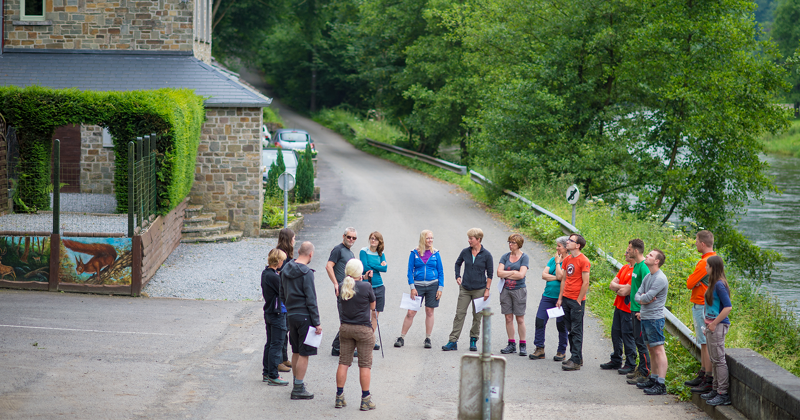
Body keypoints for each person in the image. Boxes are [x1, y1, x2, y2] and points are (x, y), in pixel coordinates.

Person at [335, 259, 378, 411]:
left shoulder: (342, 286)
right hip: (363, 329)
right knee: (365, 365)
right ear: (360, 272)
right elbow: (373, 306)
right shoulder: (366, 286)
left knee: (344, 362)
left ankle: (339, 396)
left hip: (346, 328)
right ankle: (365, 399)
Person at [281, 241, 321, 400]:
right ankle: (298, 388)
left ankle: (296, 383)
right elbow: (311, 299)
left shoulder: (285, 270)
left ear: (299, 251)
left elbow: (281, 293)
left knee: (296, 350)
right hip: (305, 316)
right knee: (304, 353)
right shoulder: (307, 273)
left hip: (291, 315)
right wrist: (317, 322)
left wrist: (290, 307)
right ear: (311, 254)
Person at [444, 228, 494, 352]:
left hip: (480, 290)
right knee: (459, 314)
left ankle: (473, 340)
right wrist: (458, 276)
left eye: (471, 238)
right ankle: (453, 341)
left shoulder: (486, 255)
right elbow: (457, 263)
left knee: (477, 316)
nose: (469, 241)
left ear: (478, 239)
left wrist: (487, 290)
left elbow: (490, 274)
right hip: (465, 289)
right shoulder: (465, 252)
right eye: (469, 238)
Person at [395, 230, 444, 349]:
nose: (430, 240)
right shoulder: (414, 252)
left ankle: (428, 338)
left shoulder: (436, 253)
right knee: (411, 312)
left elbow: (441, 271)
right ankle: (401, 337)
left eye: (432, 238)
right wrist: (412, 287)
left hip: (433, 285)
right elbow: (409, 271)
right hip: (418, 286)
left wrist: (440, 288)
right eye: (428, 238)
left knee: (429, 311)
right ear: (423, 239)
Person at [634, 249, 669, 395]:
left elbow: (646, 298)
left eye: (650, 255)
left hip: (654, 319)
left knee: (659, 350)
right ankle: (653, 378)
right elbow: (637, 296)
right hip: (645, 316)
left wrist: (644, 298)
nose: (647, 256)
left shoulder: (660, 278)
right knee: (651, 349)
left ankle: (661, 384)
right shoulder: (648, 276)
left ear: (656, 261)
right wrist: (644, 298)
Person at [685, 230, 717, 393]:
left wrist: (694, 281)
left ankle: (708, 378)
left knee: (704, 342)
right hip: (708, 304)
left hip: (701, 304)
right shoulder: (715, 258)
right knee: (704, 342)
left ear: (703, 244)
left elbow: (690, 283)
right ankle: (704, 373)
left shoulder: (704, 262)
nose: (695, 244)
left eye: (696, 241)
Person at [530, 236, 569, 361]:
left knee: (561, 325)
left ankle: (561, 351)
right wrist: (557, 277)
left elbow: (561, 275)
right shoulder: (553, 259)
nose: (556, 248)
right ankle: (539, 348)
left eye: (559, 246)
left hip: (562, 297)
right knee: (540, 320)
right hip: (547, 296)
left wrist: (558, 265)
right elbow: (544, 275)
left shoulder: (568, 261)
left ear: (565, 247)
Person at [701, 255, 733, 406]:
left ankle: (723, 393)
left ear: (713, 267)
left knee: (719, 360)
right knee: (714, 359)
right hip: (711, 326)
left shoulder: (720, 285)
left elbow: (728, 307)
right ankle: (715, 389)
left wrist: (714, 324)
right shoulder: (713, 283)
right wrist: (708, 325)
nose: (705, 268)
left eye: (707, 266)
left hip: (718, 326)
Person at [557, 233, 590, 371]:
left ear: (578, 245)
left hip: (576, 301)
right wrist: (560, 298)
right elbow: (564, 279)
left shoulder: (584, 261)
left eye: (571, 241)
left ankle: (575, 361)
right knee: (570, 330)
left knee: (576, 330)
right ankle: (577, 357)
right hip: (566, 299)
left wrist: (578, 300)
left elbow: (586, 282)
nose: (568, 242)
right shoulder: (567, 259)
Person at [601, 244, 636, 374]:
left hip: (628, 308)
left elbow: (625, 291)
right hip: (619, 306)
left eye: (627, 252)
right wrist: (622, 287)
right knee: (615, 333)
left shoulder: (636, 270)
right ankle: (616, 359)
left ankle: (630, 363)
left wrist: (621, 287)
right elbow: (612, 285)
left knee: (627, 336)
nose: (625, 254)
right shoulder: (624, 268)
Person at [497, 233, 530, 356]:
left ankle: (523, 344)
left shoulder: (524, 257)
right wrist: (513, 272)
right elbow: (498, 273)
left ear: (519, 244)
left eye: (513, 243)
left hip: (519, 290)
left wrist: (506, 273)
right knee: (508, 318)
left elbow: (521, 275)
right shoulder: (505, 257)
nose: (510, 245)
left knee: (520, 318)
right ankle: (511, 344)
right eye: (509, 242)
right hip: (505, 290)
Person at [328, 227, 358, 356]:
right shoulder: (338, 249)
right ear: (343, 236)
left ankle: (338, 347)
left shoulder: (350, 253)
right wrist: (335, 283)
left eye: (354, 238)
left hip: (350, 290)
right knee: (346, 320)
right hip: (342, 290)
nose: (351, 240)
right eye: (349, 237)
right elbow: (329, 266)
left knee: (349, 318)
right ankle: (337, 347)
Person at [626, 239, 652, 385]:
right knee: (637, 340)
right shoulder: (636, 266)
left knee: (641, 342)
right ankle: (640, 367)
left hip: (640, 311)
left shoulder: (644, 268)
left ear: (636, 251)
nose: (627, 251)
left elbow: (648, 291)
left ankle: (645, 371)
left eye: (629, 249)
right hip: (633, 308)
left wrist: (643, 311)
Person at [262, 248, 289, 386]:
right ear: (277, 261)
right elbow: (285, 290)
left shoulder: (266, 273)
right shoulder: (274, 277)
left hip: (269, 312)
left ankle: (266, 372)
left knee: (270, 343)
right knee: (276, 344)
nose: (283, 262)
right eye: (282, 260)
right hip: (277, 313)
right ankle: (273, 375)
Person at [360, 231, 387, 351]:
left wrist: (372, 265)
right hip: (367, 285)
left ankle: (370, 338)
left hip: (379, 286)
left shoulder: (381, 254)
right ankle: (363, 339)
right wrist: (378, 266)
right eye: (371, 238)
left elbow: (385, 268)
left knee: (375, 315)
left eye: (375, 239)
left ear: (379, 242)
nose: (373, 241)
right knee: (365, 313)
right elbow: (364, 267)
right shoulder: (363, 251)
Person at [275, 228, 296, 374]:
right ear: (288, 239)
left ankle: (284, 358)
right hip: (281, 299)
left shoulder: (287, 254)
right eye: (293, 238)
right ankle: (278, 361)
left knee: (286, 329)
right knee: (281, 330)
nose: (295, 240)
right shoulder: (281, 256)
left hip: (286, 298)